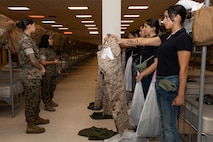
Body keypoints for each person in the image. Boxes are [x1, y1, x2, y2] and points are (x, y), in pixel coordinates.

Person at [112, 5, 192, 142]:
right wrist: (121, 41)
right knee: (162, 122)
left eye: (167, 17)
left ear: (177, 18)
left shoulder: (183, 38)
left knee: (169, 125)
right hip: (161, 82)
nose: (163, 21)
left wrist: (181, 94)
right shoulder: (168, 37)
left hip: (171, 82)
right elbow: (143, 40)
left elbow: (183, 68)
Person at [17, 18, 49, 134]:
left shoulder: (29, 39)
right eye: (34, 25)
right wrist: (41, 67)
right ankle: (30, 124)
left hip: (33, 75)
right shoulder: (25, 41)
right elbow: (32, 59)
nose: (35, 27)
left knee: (36, 97)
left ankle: (36, 117)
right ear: (29, 26)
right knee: (31, 100)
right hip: (29, 75)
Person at [136, 19, 160, 97]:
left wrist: (142, 74)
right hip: (145, 73)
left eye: (146, 26)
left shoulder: (156, 41)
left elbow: (156, 63)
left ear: (153, 28)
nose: (143, 29)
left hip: (150, 75)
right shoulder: (148, 41)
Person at [39, 35, 59, 111]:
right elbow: (43, 62)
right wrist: (53, 61)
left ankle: (50, 101)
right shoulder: (43, 50)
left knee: (52, 87)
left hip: (52, 72)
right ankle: (47, 104)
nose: (52, 40)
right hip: (46, 73)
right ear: (46, 40)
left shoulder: (50, 49)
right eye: (50, 39)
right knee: (46, 88)